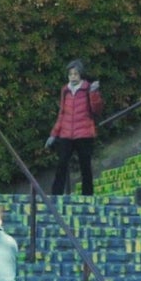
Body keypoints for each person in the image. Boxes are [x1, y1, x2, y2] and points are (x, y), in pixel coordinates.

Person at [46, 59, 104, 196]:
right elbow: (62, 113)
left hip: (84, 134)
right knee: (61, 164)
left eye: (75, 74)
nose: (73, 77)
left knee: (85, 166)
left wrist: (94, 93)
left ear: (80, 75)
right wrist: (53, 134)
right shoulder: (65, 90)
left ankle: (87, 195)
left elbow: (97, 109)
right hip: (66, 134)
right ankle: (56, 195)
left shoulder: (88, 88)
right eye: (70, 74)